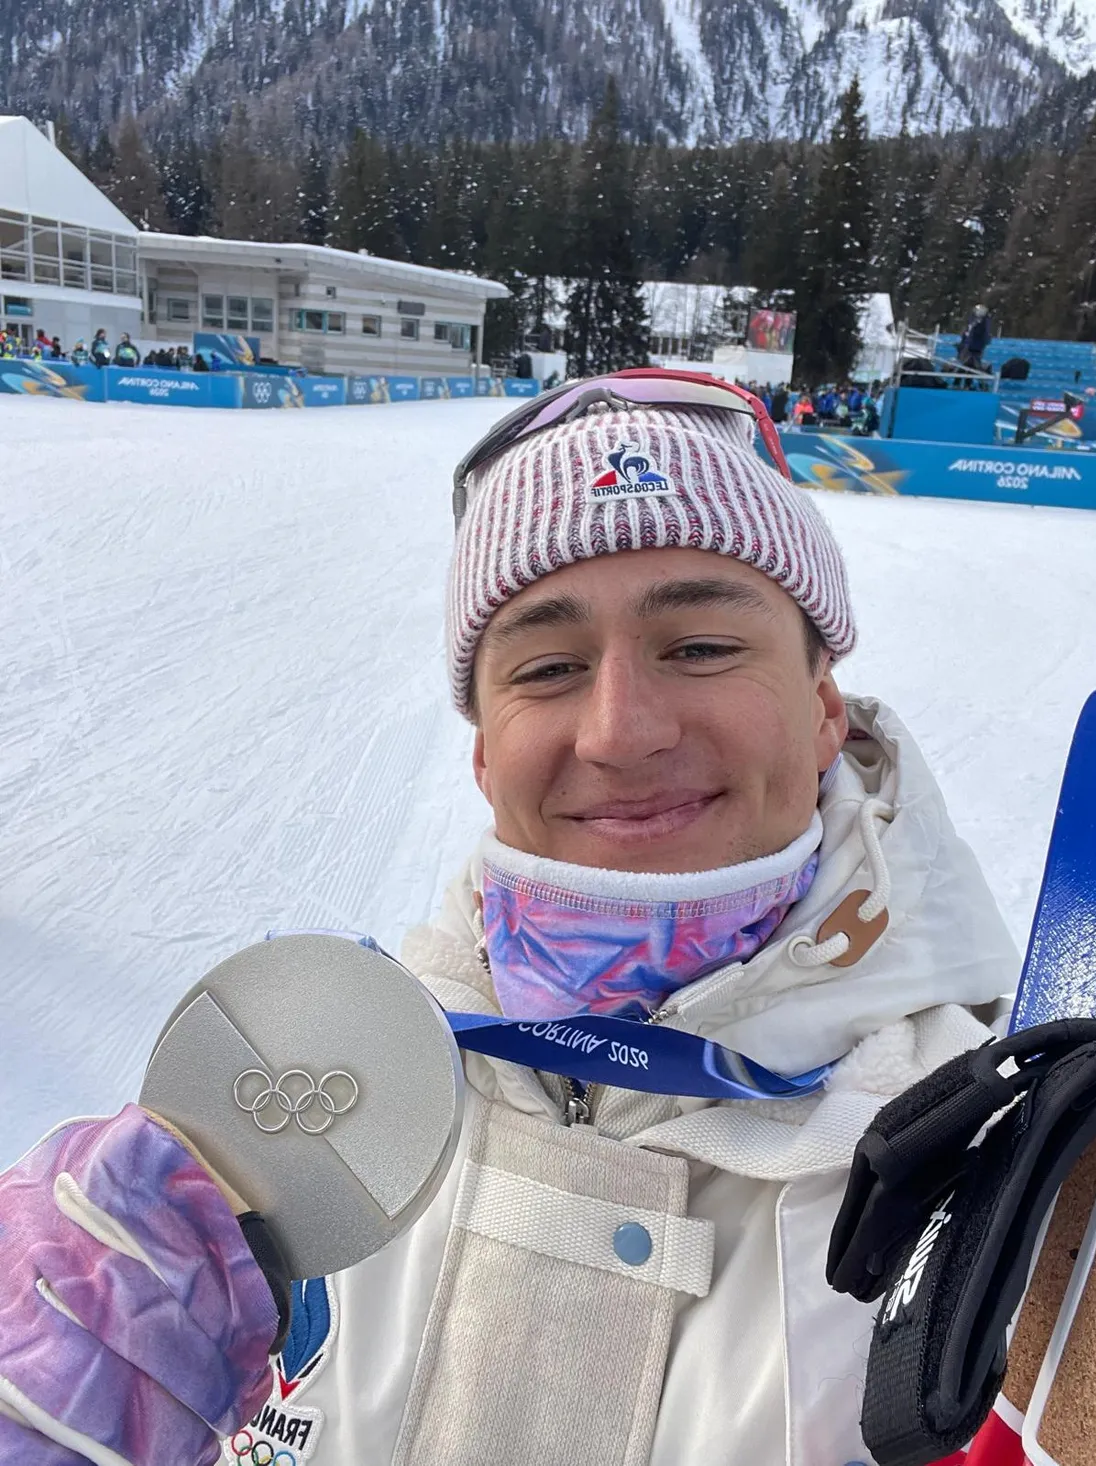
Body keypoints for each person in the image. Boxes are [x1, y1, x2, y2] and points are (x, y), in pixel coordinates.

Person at [0, 370, 1019, 1466]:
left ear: (824, 707)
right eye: (547, 666)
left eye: (700, 646)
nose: (621, 729)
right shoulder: (305, 1117)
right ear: (484, 749)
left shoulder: (1002, 1174)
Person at [958, 304, 991, 374]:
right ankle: (961, 381)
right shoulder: (972, 320)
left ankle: (979, 382)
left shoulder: (984, 322)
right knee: (967, 364)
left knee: (972, 364)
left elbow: (983, 334)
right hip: (969, 345)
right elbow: (967, 332)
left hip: (975, 346)